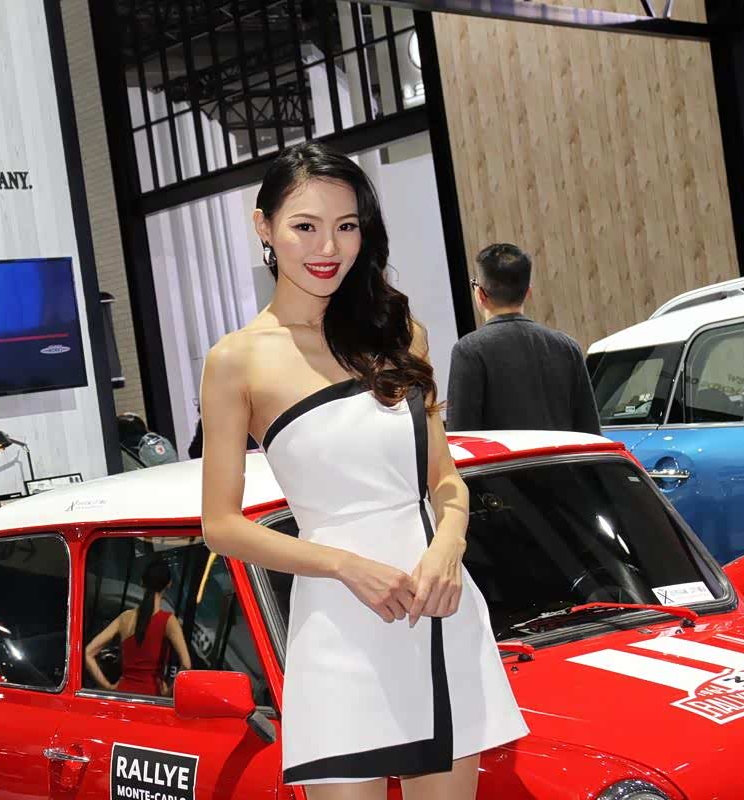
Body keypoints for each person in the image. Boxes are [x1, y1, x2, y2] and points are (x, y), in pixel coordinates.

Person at [198, 142, 526, 798]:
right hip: (340, 624)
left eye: (346, 226)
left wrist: (448, 548)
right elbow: (221, 526)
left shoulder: (397, 333)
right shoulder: (237, 361)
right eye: (305, 226)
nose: (328, 247)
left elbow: (445, 479)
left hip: (439, 608)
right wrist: (346, 565)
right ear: (264, 227)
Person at [445, 243, 600, 435]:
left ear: (480, 294)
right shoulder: (568, 347)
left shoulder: (468, 350)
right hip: (564, 456)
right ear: (528, 292)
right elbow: (591, 433)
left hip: (503, 457)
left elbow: (462, 436)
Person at [83, 560, 192, 696]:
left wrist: (108, 687)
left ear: (141, 582)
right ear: (169, 584)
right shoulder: (169, 621)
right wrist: (168, 694)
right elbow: (186, 665)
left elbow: (87, 653)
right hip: (151, 698)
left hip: (122, 696)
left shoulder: (124, 618)